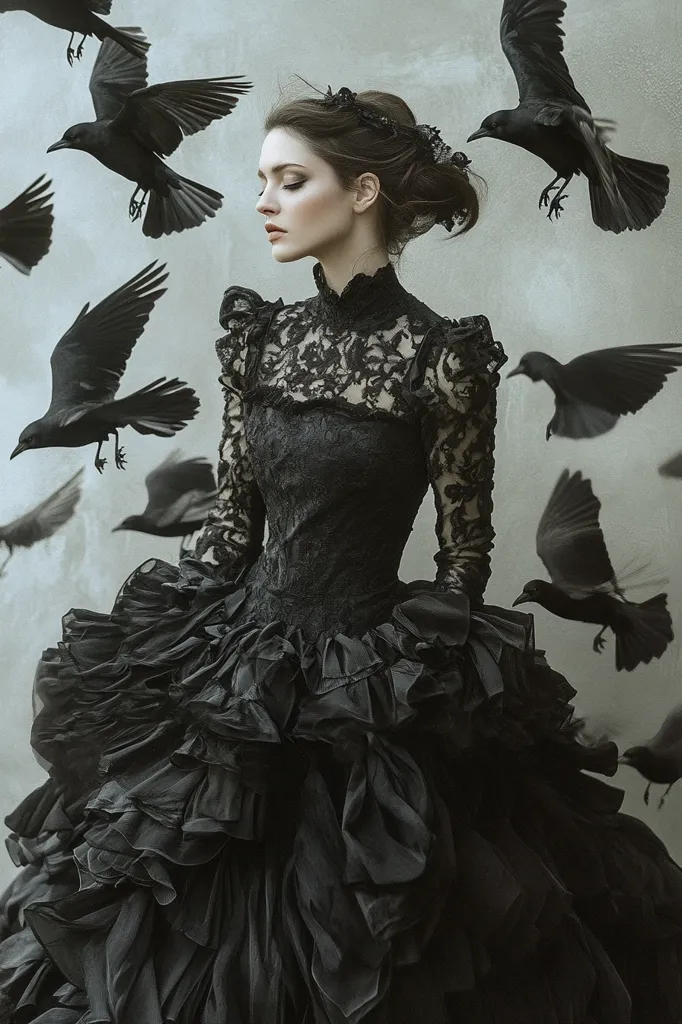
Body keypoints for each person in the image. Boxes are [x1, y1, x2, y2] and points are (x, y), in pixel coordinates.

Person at [0, 82, 681, 1024]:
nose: (264, 202)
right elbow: (233, 532)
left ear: (362, 193)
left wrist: (412, 680)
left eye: (290, 181)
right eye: (262, 181)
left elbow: (464, 557)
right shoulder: (259, 339)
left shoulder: (443, 356)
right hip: (241, 675)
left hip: (371, 686)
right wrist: (172, 651)